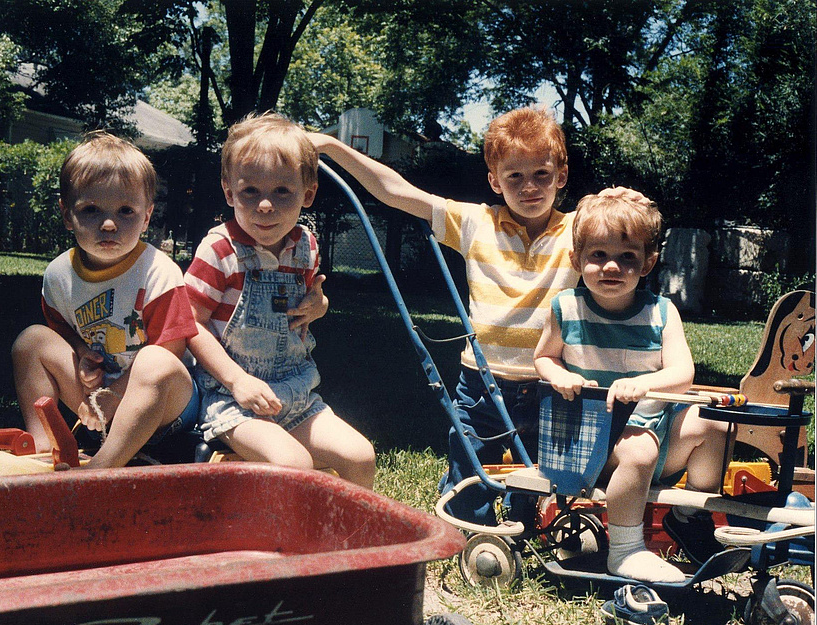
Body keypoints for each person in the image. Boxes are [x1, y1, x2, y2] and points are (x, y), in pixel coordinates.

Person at [310, 106, 646, 524]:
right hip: (481, 380)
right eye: (515, 177)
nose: (529, 187)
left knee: (544, 477)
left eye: (541, 175)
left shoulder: (579, 231)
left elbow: (628, 228)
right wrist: (329, 146)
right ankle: (467, 528)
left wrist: (624, 201)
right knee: (467, 462)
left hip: (552, 382)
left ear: (561, 177)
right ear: (494, 181)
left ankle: (527, 530)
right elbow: (394, 190)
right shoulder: (475, 222)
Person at [534, 193, 729, 582]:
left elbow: (682, 372)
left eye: (627, 257)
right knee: (639, 446)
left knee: (714, 423)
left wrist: (643, 384)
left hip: (652, 435)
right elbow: (543, 358)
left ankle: (688, 517)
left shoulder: (660, 311)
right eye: (598, 255)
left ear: (648, 262)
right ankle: (624, 551)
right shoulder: (566, 308)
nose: (612, 266)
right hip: (590, 442)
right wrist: (562, 376)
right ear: (576, 259)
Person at [184, 112, 376, 489]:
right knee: (295, 464)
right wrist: (237, 381)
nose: (265, 206)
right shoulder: (220, 250)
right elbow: (190, 322)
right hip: (232, 397)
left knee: (361, 456)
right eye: (250, 191)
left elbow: (310, 301)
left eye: (282, 192)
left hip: (294, 392)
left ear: (308, 194)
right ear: (229, 192)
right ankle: (292, 546)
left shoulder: (305, 247)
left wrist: (318, 306)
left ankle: (348, 545)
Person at [12, 132, 200, 468]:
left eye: (126, 210)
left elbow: (171, 350)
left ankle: (102, 469)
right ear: (67, 214)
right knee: (30, 342)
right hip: (99, 400)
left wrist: (113, 398)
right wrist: (83, 354)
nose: (109, 224)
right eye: (91, 210)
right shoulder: (59, 275)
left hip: (167, 407)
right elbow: (62, 331)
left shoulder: (158, 272)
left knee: (154, 360)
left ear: (146, 216)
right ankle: (43, 448)